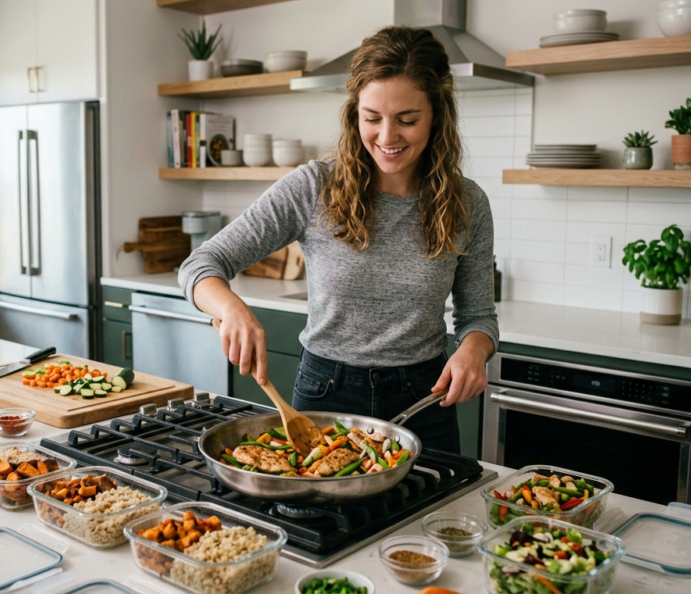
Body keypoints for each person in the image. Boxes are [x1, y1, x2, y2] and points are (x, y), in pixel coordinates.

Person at [177, 26, 498, 454]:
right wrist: (231, 309)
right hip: (327, 394)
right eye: (372, 118)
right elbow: (201, 264)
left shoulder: (468, 202)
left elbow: (479, 317)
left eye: (408, 120)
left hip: (425, 399)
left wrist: (473, 351)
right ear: (354, 115)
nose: (387, 137)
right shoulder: (314, 187)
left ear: (437, 115)